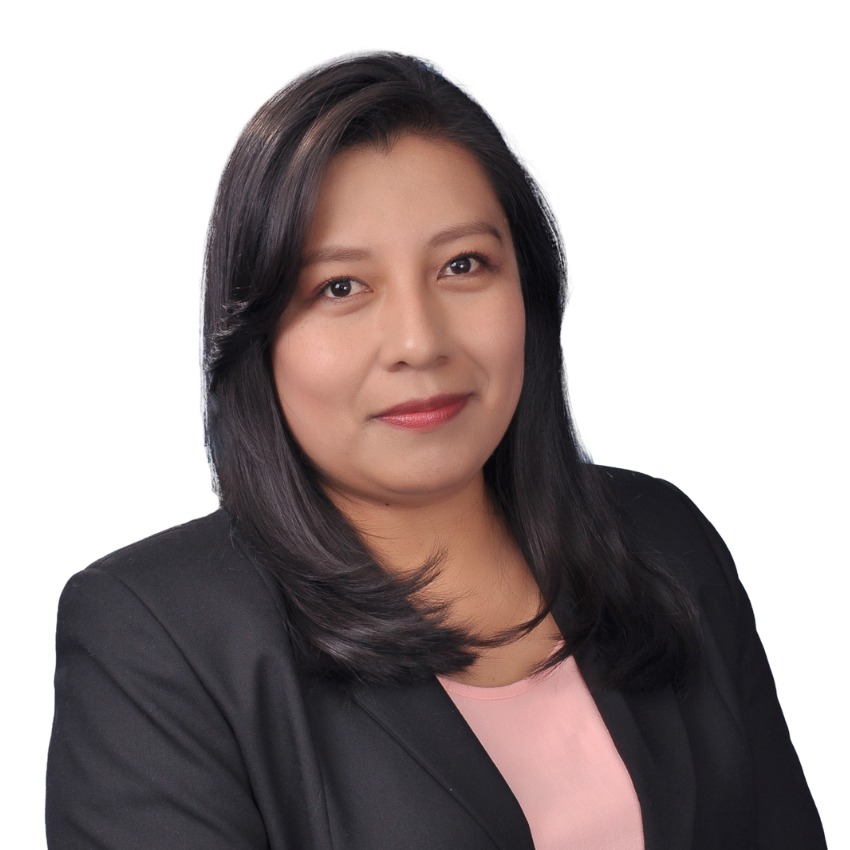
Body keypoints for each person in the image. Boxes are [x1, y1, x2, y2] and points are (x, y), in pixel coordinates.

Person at [45, 49, 825, 849]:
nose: (419, 342)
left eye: (463, 265)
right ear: (256, 335)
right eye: (340, 287)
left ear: (529, 291)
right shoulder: (153, 631)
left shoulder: (662, 538)